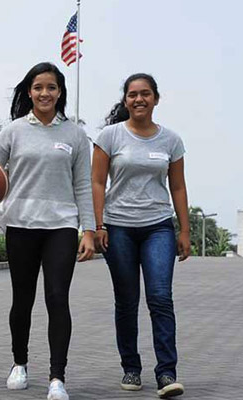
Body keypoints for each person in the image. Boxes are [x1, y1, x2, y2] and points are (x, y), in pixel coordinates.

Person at [0, 62, 95, 400]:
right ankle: (19, 363)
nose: (44, 93)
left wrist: (89, 230)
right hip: (20, 224)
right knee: (22, 299)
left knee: (57, 298)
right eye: (38, 87)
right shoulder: (13, 131)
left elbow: (83, 185)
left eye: (51, 87)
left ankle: (57, 377)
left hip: (61, 226)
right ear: (29, 92)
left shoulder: (75, 134)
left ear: (60, 92)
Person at [91, 73, 191, 399]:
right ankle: (131, 367)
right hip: (118, 227)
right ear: (126, 100)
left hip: (158, 226)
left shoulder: (171, 140)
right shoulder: (110, 136)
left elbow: (178, 186)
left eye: (145, 94)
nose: (139, 99)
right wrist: (98, 225)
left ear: (156, 99)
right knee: (127, 300)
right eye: (133, 94)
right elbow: (97, 182)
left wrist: (184, 230)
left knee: (160, 297)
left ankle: (166, 372)